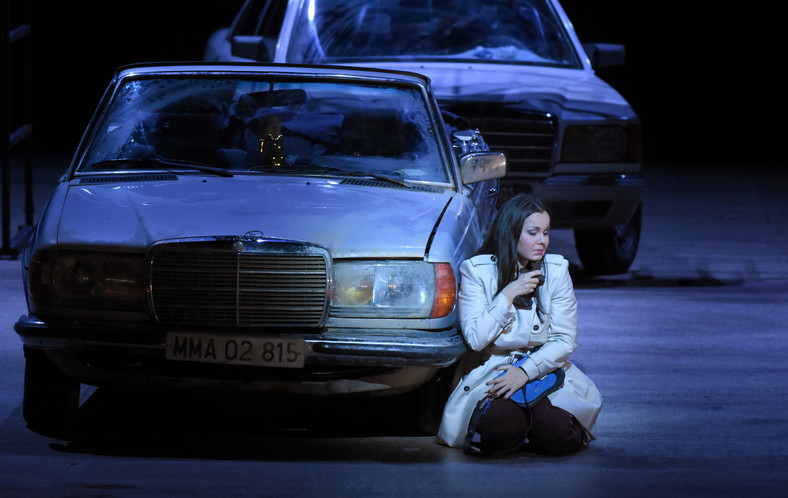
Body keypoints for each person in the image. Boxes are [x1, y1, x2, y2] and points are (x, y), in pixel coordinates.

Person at [436, 193, 602, 456]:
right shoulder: (477, 271)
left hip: (544, 367)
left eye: (546, 233)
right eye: (533, 232)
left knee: (557, 436)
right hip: (493, 369)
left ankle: (537, 423)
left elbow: (564, 340)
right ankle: (519, 425)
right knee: (501, 432)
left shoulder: (556, 270)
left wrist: (525, 371)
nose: (542, 241)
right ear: (510, 232)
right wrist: (507, 294)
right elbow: (476, 339)